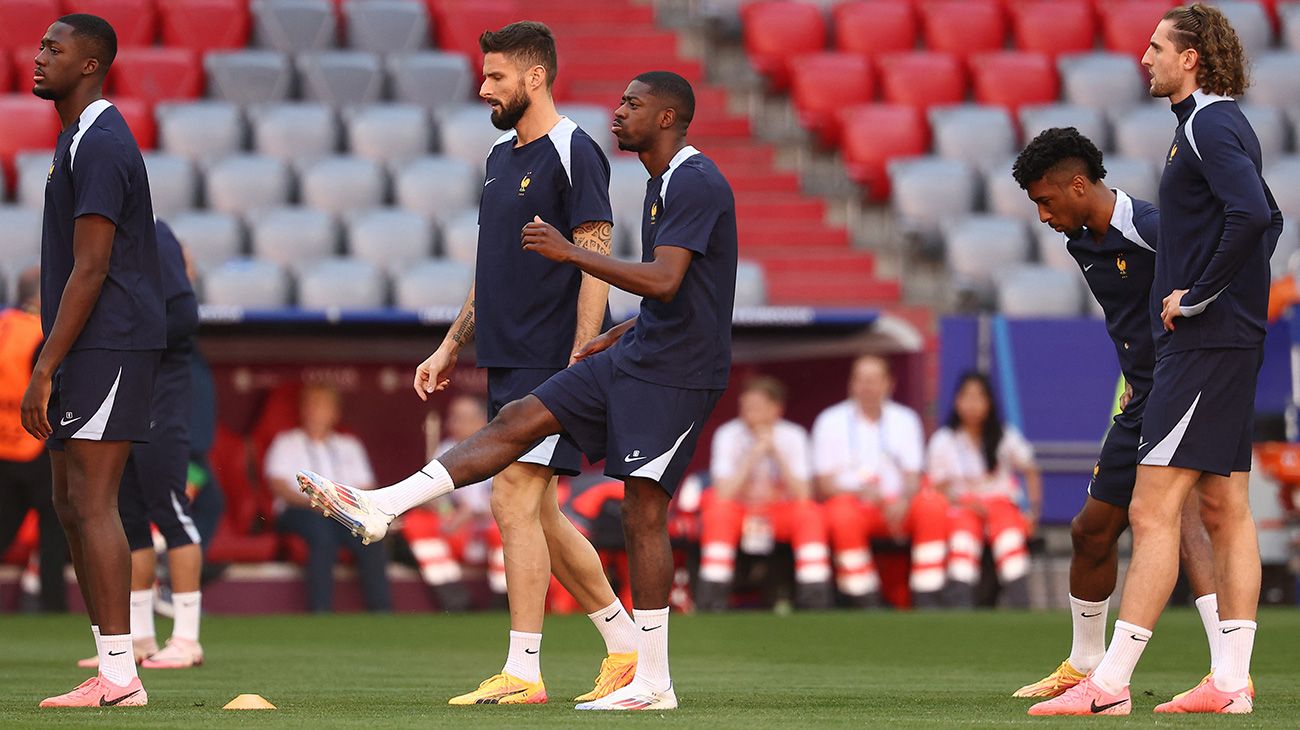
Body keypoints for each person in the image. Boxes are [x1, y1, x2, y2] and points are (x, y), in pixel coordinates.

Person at [298, 70, 736, 711]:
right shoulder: (656, 180)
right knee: (516, 430)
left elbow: (668, 280)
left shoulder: (693, 179)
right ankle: (386, 504)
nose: (618, 112)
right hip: (634, 351)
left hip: (675, 373)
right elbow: (687, 295)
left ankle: (648, 680)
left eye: (633, 105)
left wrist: (570, 259)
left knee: (638, 510)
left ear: (668, 118)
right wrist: (611, 339)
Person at [361, 21, 636, 705]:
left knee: (511, 497)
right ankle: (628, 648)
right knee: (539, 513)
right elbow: (493, 270)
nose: (484, 88)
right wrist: (453, 341)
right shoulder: (496, 157)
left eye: (497, 77)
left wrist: (580, 354)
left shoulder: (576, 149)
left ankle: (523, 673)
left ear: (535, 77)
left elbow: (594, 252)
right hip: (504, 357)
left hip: (554, 359)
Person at [1030, 5, 1284, 716]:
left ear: (1192, 57)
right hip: (1225, 339)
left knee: (1153, 506)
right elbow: (1271, 215)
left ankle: (1107, 686)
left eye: (1155, 46)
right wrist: (1229, 298)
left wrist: (1202, 297)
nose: (1144, 57)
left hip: (1204, 345)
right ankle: (1230, 684)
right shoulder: (1207, 126)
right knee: (1225, 505)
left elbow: (1258, 218)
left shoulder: (1206, 124)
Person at [1009, 128, 1226, 699]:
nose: (1042, 216)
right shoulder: (1082, 239)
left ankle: (1227, 672)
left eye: (1045, 201)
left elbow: (1220, 286)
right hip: (1142, 396)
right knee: (1091, 530)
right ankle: (1084, 664)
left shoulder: (1155, 230)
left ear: (1078, 185)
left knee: (1187, 522)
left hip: (1185, 390)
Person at [23, 13, 163, 708]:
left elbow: (92, 267)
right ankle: (112, 664)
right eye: (41, 43)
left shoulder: (102, 141)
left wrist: (44, 366)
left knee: (94, 500)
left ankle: (120, 675)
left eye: (55, 47)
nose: (38, 55)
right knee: (69, 501)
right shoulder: (74, 138)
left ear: (90, 64)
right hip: (88, 343)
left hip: (111, 340)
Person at [74, 220, 205, 669]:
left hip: (160, 392)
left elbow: (184, 316)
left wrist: (126, 338)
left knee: (169, 508)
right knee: (127, 515)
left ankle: (187, 637)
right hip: (126, 391)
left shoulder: (154, 234)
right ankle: (140, 636)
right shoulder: (104, 237)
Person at [812, 355, 950, 608]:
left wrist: (904, 500)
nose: (867, 387)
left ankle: (928, 595)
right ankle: (863, 596)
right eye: (861, 380)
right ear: (851, 384)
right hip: (855, 504)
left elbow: (913, 474)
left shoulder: (905, 419)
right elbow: (824, 484)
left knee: (933, 506)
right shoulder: (830, 421)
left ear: (889, 384)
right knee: (841, 514)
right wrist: (859, 492)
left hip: (898, 505)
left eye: (874, 380)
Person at [696, 375, 832, 611]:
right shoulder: (728, 435)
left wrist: (775, 452)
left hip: (777, 513)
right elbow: (724, 493)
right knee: (718, 511)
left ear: (776, 409)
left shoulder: (793, 435)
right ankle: (712, 597)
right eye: (745, 406)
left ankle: (815, 597)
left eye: (756, 407)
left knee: (809, 514)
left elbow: (803, 494)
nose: (749, 412)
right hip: (741, 511)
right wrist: (753, 456)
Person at [266, 383, 392, 613]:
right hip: (300, 510)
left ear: (335, 412)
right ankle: (320, 610)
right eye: (311, 405)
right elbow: (279, 486)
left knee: (372, 535)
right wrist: (315, 503)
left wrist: (344, 507)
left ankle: (381, 611)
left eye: (322, 406)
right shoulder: (287, 441)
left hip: (343, 512)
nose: (315, 411)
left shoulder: (349, 445)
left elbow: (366, 486)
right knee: (321, 534)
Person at [927, 372, 1042, 608]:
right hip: (961, 509)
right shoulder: (944, 439)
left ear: (989, 403)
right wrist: (965, 502)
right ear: (956, 401)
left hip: (1001, 508)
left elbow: (1030, 469)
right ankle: (961, 608)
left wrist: (1033, 512)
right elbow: (936, 486)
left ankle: (1022, 609)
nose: (972, 404)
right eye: (966, 397)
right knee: (963, 539)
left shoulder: (1004, 435)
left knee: (1010, 539)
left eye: (979, 397)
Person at [0, 267, 68, 613]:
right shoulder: (42, 333)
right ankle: (53, 605)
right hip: (35, 441)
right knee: (54, 534)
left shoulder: (3, 324)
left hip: (2, 447)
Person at [400, 396, 504, 611]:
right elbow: (432, 495)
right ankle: (456, 601)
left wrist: (473, 512)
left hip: (491, 529)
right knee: (417, 523)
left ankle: (503, 603)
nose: (455, 424)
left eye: (463, 418)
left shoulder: (500, 448)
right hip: (459, 532)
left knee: (506, 529)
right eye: (454, 418)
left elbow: (509, 498)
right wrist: (445, 510)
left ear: (481, 420)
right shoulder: (445, 450)